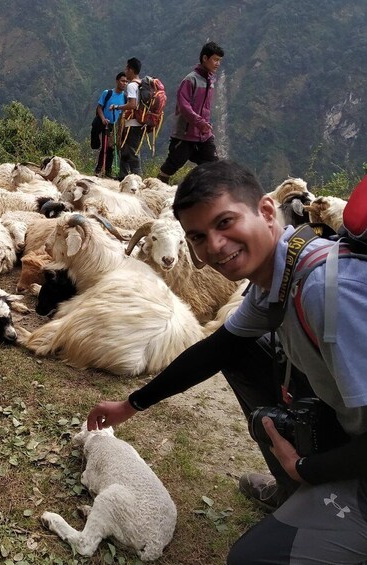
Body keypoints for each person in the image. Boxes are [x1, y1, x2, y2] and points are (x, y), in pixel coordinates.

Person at [87, 159, 367, 564]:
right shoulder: (280, 274)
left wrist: (308, 467)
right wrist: (131, 405)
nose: (214, 246)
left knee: (251, 559)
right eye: (198, 236)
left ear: (267, 212)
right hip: (351, 432)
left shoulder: (326, 292)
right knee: (242, 352)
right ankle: (296, 494)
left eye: (225, 223)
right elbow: (217, 349)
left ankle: (310, 491)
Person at [157, 42, 225, 185]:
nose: (217, 63)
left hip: (204, 134)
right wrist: (199, 122)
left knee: (213, 165)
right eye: (215, 59)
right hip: (185, 134)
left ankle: (209, 196)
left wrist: (204, 125)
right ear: (205, 58)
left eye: (219, 60)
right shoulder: (190, 80)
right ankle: (155, 191)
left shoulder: (210, 81)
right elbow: (184, 106)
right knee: (172, 164)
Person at [110, 57, 144, 180]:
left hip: (133, 124)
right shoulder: (141, 84)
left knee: (133, 153)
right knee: (125, 151)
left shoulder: (131, 86)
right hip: (139, 123)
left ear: (131, 69)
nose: (125, 70)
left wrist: (117, 107)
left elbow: (132, 105)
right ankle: (122, 177)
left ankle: (138, 180)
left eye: (127, 68)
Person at [94, 72, 128, 177]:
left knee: (110, 148)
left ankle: (107, 171)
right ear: (117, 81)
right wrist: (103, 118)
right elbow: (99, 107)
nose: (124, 83)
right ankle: (99, 169)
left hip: (113, 125)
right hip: (103, 122)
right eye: (122, 81)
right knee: (105, 146)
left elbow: (123, 112)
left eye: (126, 82)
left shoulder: (125, 97)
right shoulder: (107, 93)